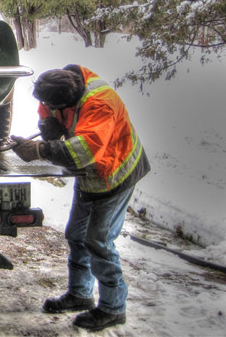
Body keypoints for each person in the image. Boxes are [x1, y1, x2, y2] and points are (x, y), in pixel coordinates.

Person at [11, 64, 150, 332]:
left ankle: (113, 308)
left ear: (70, 100)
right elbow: (45, 111)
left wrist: (41, 149)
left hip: (114, 176)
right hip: (89, 176)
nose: (46, 105)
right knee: (76, 235)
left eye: (54, 105)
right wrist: (49, 127)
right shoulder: (57, 86)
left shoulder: (101, 105)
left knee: (98, 242)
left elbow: (82, 153)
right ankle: (80, 294)